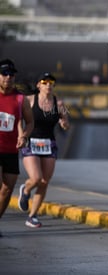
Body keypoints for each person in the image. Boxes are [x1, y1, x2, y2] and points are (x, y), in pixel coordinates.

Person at [18, 72, 70, 228]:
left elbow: (66, 120)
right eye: (45, 82)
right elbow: (19, 120)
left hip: (49, 143)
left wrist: (64, 123)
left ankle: (32, 216)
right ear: (38, 85)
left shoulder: (59, 104)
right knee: (36, 178)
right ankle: (26, 190)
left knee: (44, 182)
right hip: (31, 142)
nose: (48, 85)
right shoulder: (29, 100)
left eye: (51, 83)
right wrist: (21, 135)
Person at [0, 59, 34, 236]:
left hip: (11, 150)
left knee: (7, 189)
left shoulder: (20, 99)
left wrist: (24, 135)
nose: (8, 77)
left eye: (11, 75)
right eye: (4, 74)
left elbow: (30, 122)